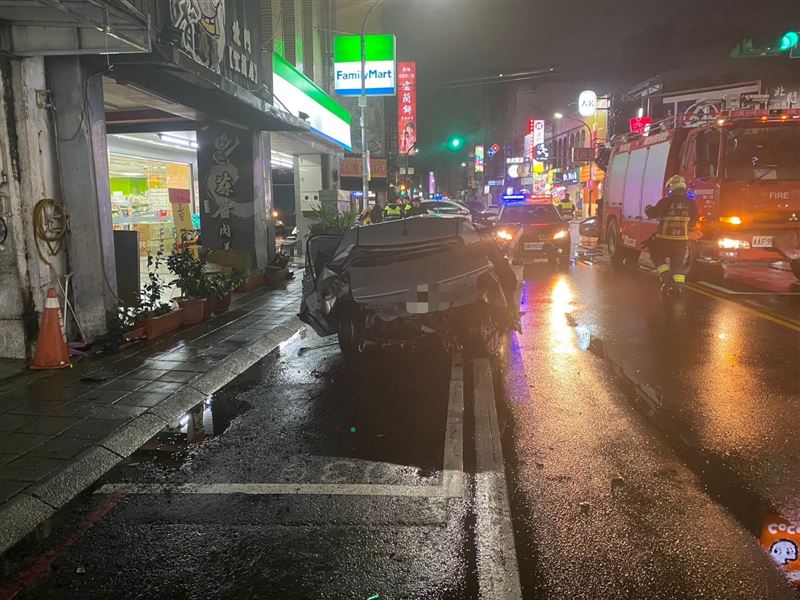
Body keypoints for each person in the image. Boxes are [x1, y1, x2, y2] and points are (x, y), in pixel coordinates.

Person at [644, 175, 698, 296]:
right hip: (682, 241)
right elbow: (694, 222)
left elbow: (653, 213)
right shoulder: (691, 203)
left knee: (656, 256)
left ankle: (667, 279)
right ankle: (678, 287)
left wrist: (647, 208)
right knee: (678, 263)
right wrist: (689, 229)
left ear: (672, 187)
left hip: (664, 239)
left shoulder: (666, 201)